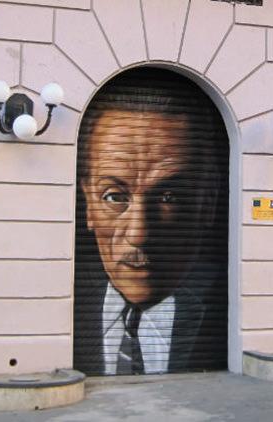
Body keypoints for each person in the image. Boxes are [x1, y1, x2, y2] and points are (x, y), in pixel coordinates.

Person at [74, 70, 228, 375]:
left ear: (208, 201)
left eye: (169, 197)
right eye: (114, 197)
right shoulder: (62, 301)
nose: (139, 235)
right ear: (88, 204)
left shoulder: (230, 305)